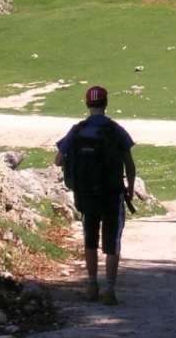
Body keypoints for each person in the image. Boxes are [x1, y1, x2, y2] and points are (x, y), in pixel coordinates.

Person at [55, 85, 136, 306]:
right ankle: (109, 289)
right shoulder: (115, 130)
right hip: (112, 194)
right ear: (106, 103)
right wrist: (129, 187)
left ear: (87, 104)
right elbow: (129, 163)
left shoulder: (77, 130)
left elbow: (58, 160)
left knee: (90, 239)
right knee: (112, 242)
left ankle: (92, 285)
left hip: (86, 195)